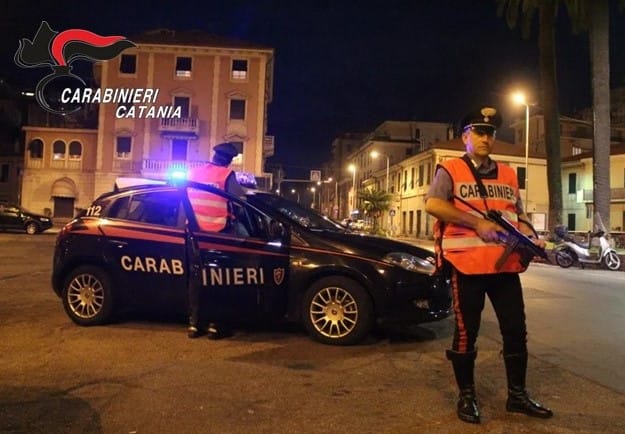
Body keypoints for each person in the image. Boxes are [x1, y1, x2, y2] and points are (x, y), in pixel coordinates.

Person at [425, 107, 553, 424]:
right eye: (479, 132)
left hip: (505, 266)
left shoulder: (508, 173)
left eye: (490, 133)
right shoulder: (450, 169)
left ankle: (517, 396)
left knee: (516, 330)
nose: (486, 138)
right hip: (466, 265)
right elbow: (433, 203)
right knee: (467, 333)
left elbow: (517, 214)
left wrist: (531, 237)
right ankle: (467, 396)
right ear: (465, 137)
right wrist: (476, 222)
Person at [186, 142, 243, 340]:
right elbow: (241, 202)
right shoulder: (226, 175)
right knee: (220, 281)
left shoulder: (194, 173)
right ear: (229, 160)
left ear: (214, 155)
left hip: (194, 235)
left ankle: (195, 325)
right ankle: (216, 326)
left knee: (197, 280)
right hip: (219, 235)